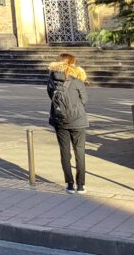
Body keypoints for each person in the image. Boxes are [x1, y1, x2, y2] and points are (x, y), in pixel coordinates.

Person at [48, 52, 89, 194]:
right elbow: (84, 100)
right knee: (80, 151)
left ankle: (70, 184)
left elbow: (51, 96)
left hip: (60, 119)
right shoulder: (77, 80)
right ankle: (81, 185)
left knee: (64, 152)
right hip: (78, 120)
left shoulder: (52, 79)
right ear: (72, 63)